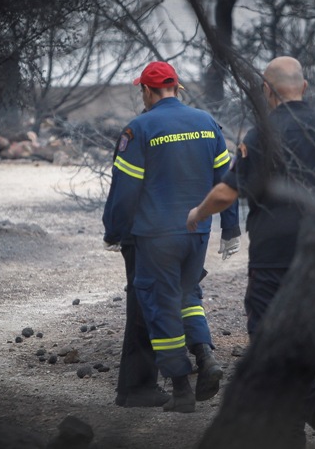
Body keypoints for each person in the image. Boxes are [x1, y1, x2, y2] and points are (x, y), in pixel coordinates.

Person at [187, 56, 315, 449]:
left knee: (267, 343)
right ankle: (290, 432)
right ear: (304, 87)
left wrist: (198, 213)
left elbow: (228, 191)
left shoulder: (263, 135)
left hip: (275, 258)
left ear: (267, 91)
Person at [102, 61, 240, 413]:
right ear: (176, 87)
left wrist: (114, 232)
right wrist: (230, 228)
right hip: (198, 233)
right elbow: (226, 181)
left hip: (156, 237)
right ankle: (205, 355)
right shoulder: (207, 124)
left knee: (160, 306)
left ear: (147, 92)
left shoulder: (140, 128)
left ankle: (180, 389)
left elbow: (126, 191)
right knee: (187, 296)